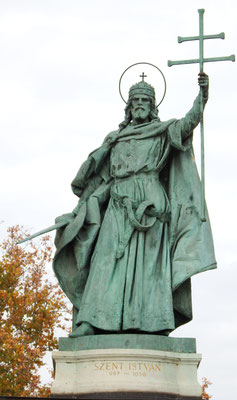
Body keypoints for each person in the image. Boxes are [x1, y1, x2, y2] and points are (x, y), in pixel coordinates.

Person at [53, 73, 216, 337]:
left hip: (150, 206)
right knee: (104, 260)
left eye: (145, 100)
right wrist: (77, 213)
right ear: (128, 106)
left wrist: (202, 97)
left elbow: (187, 125)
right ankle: (91, 320)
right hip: (119, 205)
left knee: (149, 269)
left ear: (153, 107)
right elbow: (99, 180)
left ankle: (154, 322)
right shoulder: (114, 139)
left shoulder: (162, 132)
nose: (140, 104)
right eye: (135, 100)